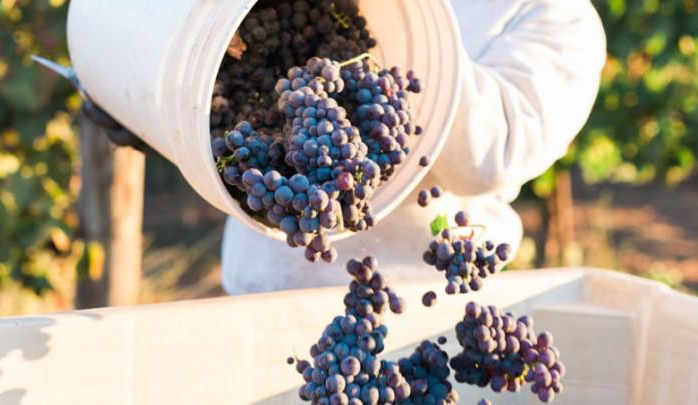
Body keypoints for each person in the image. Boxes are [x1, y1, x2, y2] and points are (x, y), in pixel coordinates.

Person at [220, 0, 606, 294]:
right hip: (262, 290)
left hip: (423, 308)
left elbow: (489, 158)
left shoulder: (561, 18)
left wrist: (412, 39)